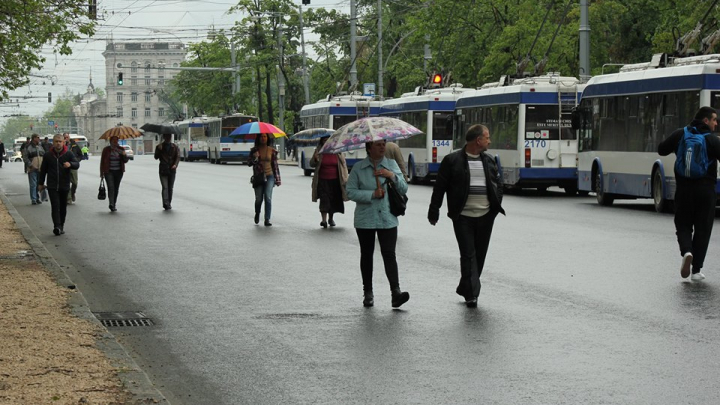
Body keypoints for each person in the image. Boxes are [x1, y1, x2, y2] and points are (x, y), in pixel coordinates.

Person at [428, 124, 505, 308]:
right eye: (487, 137)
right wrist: (434, 210)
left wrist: (495, 206)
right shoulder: (452, 160)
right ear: (478, 140)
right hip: (463, 217)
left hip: (486, 216)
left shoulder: (489, 160)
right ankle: (471, 294)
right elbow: (440, 187)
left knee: (479, 256)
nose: (489, 140)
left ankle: (466, 286)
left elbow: (498, 184)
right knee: (468, 254)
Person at [658, 106, 720, 280]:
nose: (716, 123)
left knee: (683, 224)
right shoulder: (712, 140)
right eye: (714, 120)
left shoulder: (680, 134)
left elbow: (661, 149)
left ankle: (686, 252)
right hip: (706, 191)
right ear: (706, 121)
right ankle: (696, 270)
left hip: (684, 190)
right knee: (703, 228)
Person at [346, 139, 410, 308]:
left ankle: (395, 292)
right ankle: (368, 292)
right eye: (378, 144)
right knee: (367, 255)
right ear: (369, 148)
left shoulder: (391, 163)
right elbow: (350, 192)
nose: (383, 147)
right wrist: (372, 194)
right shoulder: (359, 168)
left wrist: (392, 176)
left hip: (387, 217)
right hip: (365, 219)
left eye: (384, 143)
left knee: (389, 254)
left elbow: (404, 188)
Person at [38, 134, 80, 235]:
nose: (58, 143)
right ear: (53, 143)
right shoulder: (48, 155)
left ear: (63, 142)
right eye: (56, 141)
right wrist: (40, 183)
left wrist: (70, 164)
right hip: (52, 185)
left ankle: (61, 225)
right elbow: (43, 170)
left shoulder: (68, 154)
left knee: (62, 207)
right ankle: (56, 226)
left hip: (64, 185)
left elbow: (77, 164)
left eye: (60, 141)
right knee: (55, 205)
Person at [310, 136, 349, 228]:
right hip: (322, 180)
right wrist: (315, 159)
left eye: (328, 139)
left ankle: (331, 218)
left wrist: (345, 178)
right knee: (324, 199)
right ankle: (323, 220)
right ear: (321, 140)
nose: (326, 141)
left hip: (336, 180)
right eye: (324, 139)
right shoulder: (318, 151)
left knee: (333, 200)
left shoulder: (337, 151)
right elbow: (312, 164)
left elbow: (343, 164)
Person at [247, 133, 282, 226]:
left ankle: (267, 219)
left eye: (265, 136)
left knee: (268, 197)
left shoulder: (272, 150)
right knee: (258, 199)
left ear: (267, 138)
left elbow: (275, 166)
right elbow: (249, 163)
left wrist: (277, 179)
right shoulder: (254, 150)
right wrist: (255, 157)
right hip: (258, 176)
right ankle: (257, 213)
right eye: (261, 136)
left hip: (269, 176)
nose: (263, 138)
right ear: (258, 138)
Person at [100, 136, 129, 212]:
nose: (115, 141)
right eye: (113, 140)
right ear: (110, 141)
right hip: (108, 171)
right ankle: (111, 204)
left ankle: (114, 203)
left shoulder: (121, 149)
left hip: (119, 172)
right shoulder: (106, 150)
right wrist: (101, 172)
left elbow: (125, 160)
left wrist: (124, 155)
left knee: (116, 188)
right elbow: (102, 162)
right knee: (111, 187)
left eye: (116, 140)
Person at [154, 133, 180, 210]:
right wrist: (159, 149)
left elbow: (178, 157)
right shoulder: (159, 146)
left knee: (170, 187)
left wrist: (175, 164)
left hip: (172, 169)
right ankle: (165, 203)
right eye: (167, 136)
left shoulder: (174, 147)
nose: (168, 138)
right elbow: (156, 157)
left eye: (170, 136)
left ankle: (169, 202)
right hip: (163, 169)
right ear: (164, 137)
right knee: (165, 187)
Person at [23, 134, 47, 205]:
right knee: (33, 184)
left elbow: (44, 155)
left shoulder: (40, 146)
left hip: (40, 168)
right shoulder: (28, 147)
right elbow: (25, 157)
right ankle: (33, 199)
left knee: (38, 184)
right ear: (34, 138)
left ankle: (37, 198)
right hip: (32, 169)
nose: (39, 139)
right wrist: (30, 165)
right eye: (38, 137)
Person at [63, 133, 83, 204]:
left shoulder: (74, 145)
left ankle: (72, 193)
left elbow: (80, 155)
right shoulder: (61, 145)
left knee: (75, 182)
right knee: (67, 182)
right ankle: (68, 198)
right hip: (65, 166)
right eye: (64, 137)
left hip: (73, 165)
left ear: (69, 137)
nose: (66, 139)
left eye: (67, 137)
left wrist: (77, 161)